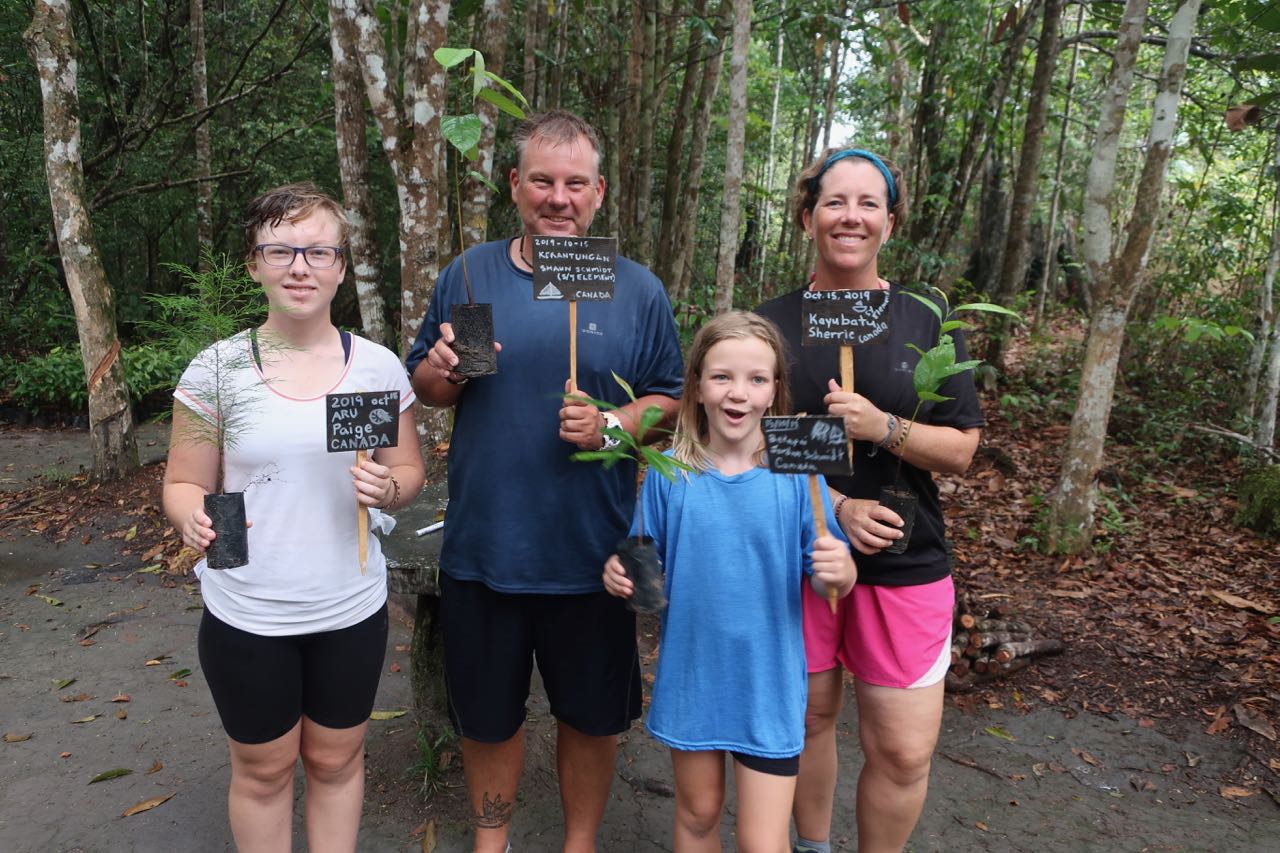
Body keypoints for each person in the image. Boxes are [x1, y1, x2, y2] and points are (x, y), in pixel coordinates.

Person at [405, 110, 683, 853]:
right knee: (487, 719)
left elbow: (670, 400)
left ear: (599, 191)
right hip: (486, 547)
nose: (559, 198)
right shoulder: (472, 275)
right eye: (542, 181)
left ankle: (578, 842)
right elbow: (435, 388)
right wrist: (442, 369)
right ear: (514, 185)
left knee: (591, 718)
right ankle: (490, 841)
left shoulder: (636, 290)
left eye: (575, 184)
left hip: (596, 553)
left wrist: (613, 426)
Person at [163, 183, 425, 853]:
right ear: (255, 264)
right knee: (264, 769)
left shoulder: (376, 367)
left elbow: (407, 471)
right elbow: (184, 481)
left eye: (317, 251)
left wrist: (388, 486)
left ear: (341, 266)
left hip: (349, 606)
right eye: (280, 250)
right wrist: (193, 519)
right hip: (248, 609)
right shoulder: (216, 368)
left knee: (337, 761)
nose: (300, 267)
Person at [755, 149, 983, 853]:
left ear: (890, 221)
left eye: (867, 203)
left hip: (904, 555)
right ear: (808, 218)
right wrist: (834, 503)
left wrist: (883, 426)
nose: (850, 216)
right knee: (808, 720)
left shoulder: (928, 318)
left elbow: (962, 448)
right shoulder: (769, 323)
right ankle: (812, 844)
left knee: (904, 751)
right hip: (797, 551)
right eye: (834, 201)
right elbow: (744, 443)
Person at [603, 311, 857, 853]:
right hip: (695, 677)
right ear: (697, 386)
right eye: (722, 377)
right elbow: (643, 571)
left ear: (775, 390)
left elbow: (829, 580)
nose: (738, 392)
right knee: (697, 815)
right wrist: (620, 575)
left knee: (763, 840)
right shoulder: (669, 472)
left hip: (768, 684)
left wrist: (840, 571)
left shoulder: (797, 471)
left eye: (756, 379)